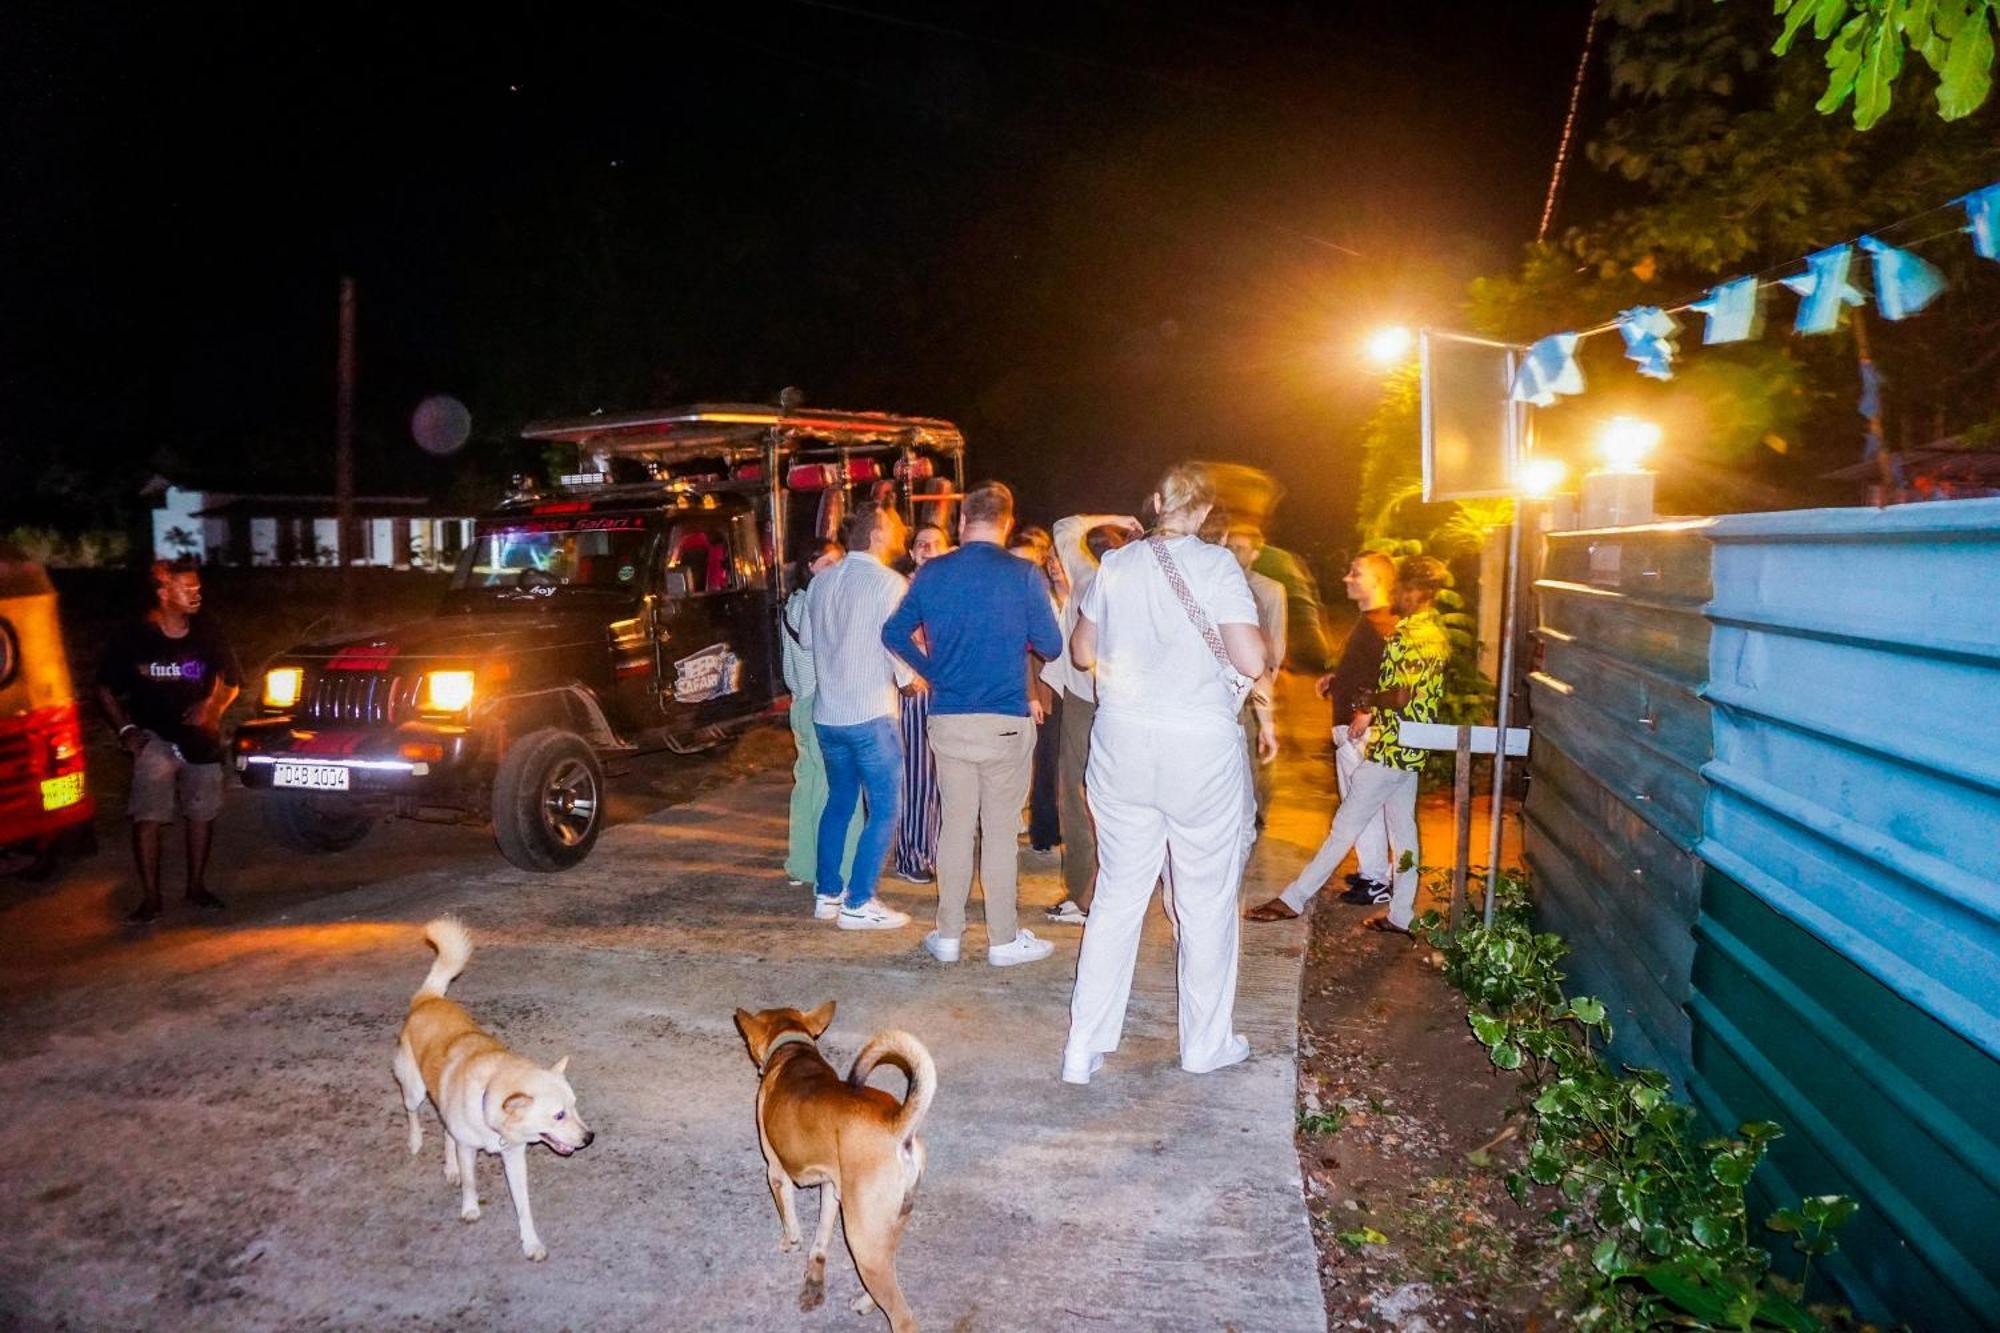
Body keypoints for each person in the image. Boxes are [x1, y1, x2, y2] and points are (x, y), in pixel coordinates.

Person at [1061, 463, 1268, 1084]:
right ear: (1203, 514)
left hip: (1122, 744)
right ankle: (1204, 1043)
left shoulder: (1117, 567)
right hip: (1197, 749)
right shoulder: (1217, 567)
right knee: (1204, 900)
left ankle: (1084, 1046)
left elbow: (1081, 652)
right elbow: (1251, 659)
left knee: (1119, 895)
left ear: (1155, 503)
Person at [883, 482, 1063, 967]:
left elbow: (893, 632)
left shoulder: (933, 573)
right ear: (1006, 523)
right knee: (1000, 832)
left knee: (955, 827)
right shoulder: (1024, 574)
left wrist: (936, 671)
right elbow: (1052, 646)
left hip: (949, 719)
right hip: (1004, 718)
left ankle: (948, 935)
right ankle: (1003, 940)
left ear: (962, 522)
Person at [1246, 556, 1452, 932]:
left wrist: (1369, 702)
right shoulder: (1433, 632)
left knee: (1345, 826)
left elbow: (1402, 695)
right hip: (1411, 744)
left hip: (1391, 745)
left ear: (1419, 592)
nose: (1397, 597)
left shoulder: (1409, 634)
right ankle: (1402, 914)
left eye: (1403, 590)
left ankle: (1292, 898)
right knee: (1403, 831)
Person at [96, 557, 242, 923]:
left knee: (201, 814)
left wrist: (213, 709)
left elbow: (232, 681)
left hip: (200, 740)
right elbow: (103, 689)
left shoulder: (208, 630)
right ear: (164, 593)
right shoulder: (135, 636)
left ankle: (196, 887)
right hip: (154, 738)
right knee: (148, 817)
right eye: (186, 588)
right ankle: (150, 897)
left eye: (197, 587)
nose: (196, 594)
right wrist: (126, 731)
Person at [801, 502, 915, 931]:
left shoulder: (822, 582)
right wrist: (908, 678)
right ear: (879, 532)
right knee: (885, 807)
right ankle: (860, 900)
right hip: (870, 712)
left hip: (829, 714)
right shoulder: (890, 583)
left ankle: (827, 894)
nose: (900, 531)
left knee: (840, 802)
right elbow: (894, 642)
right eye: (895, 526)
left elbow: (811, 642)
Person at [1041, 516, 1139, 926]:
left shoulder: (1088, 577)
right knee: (1113, 799)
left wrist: (1116, 517)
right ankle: (1104, 892)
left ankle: (1086, 895)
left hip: (1092, 700)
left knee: (1079, 798)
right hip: (1123, 703)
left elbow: (1064, 526)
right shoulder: (1139, 583)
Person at [1313, 550, 1401, 906]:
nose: (1347, 578)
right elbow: (1368, 667)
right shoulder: (1372, 620)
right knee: (1364, 803)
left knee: (1360, 804)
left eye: (1356, 573)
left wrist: (1366, 709)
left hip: (1359, 729)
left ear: (1378, 581)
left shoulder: (1382, 621)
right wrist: (1339, 680)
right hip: (1355, 722)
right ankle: (1375, 872)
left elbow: (1392, 673)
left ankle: (1376, 880)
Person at [782, 541, 863, 893]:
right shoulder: (814, 602)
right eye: (827, 562)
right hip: (821, 704)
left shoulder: (793, 603)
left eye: (839, 562)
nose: (835, 569)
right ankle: (838, 871)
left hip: (800, 704)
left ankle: (803, 863)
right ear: (810, 566)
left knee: (809, 786)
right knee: (838, 790)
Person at [891, 525, 952, 882]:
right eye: (921, 545)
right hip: (917, 688)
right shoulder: (903, 589)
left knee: (945, 774)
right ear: (912, 553)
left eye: (935, 544)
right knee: (918, 774)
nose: (928, 549)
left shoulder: (950, 587)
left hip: (947, 689)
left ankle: (937, 848)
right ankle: (913, 853)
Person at [1008, 525, 1065, 853]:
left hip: (1059, 686)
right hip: (1031, 687)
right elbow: (1022, 652)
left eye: (1030, 562)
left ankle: (1048, 828)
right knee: (1028, 760)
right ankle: (1037, 829)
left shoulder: (1051, 592)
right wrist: (1030, 693)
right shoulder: (1014, 596)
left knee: (1049, 760)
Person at [1224, 527, 1285, 827]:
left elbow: (1276, 636)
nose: (1235, 553)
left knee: (1251, 748)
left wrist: (1267, 682)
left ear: (1256, 553)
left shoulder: (1269, 589)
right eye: (1231, 546)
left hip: (1255, 679)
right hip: (1233, 683)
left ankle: (1254, 810)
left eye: (1241, 548)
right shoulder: (1220, 582)